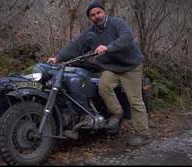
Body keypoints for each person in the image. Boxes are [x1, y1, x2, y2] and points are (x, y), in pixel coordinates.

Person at [48, 0, 150, 146]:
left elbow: (126, 38)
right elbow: (75, 47)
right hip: (112, 67)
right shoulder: (91, 33)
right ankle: (117, 113)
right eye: (92, 15)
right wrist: (57, 58)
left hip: (131, 66)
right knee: (103, 86)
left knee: (135, 101)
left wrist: (108, 48)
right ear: (90, 18)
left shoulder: (116, 23)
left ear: (104, 12)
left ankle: (143, 134)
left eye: (98, 12)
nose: (96, 16)